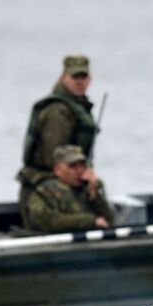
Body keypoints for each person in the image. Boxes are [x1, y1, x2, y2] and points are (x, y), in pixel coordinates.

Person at [16, 54, 99, 216]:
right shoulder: (57, 111)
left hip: (67, 182)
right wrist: (82, 173)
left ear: (90, 79)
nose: (80, 81)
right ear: (63, 78)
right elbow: (56, 159)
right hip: (47, 189)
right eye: (75, 77)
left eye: (84, 77)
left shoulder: (77, 107)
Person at [22, 145, 116, 234]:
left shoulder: (86, 189)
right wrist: (90, 221)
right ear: (58, 170)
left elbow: (109, 221)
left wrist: (94, 195)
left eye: (82, 165)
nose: (79, 171)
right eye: (73, 166)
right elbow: (50, 221)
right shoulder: (44, 193)